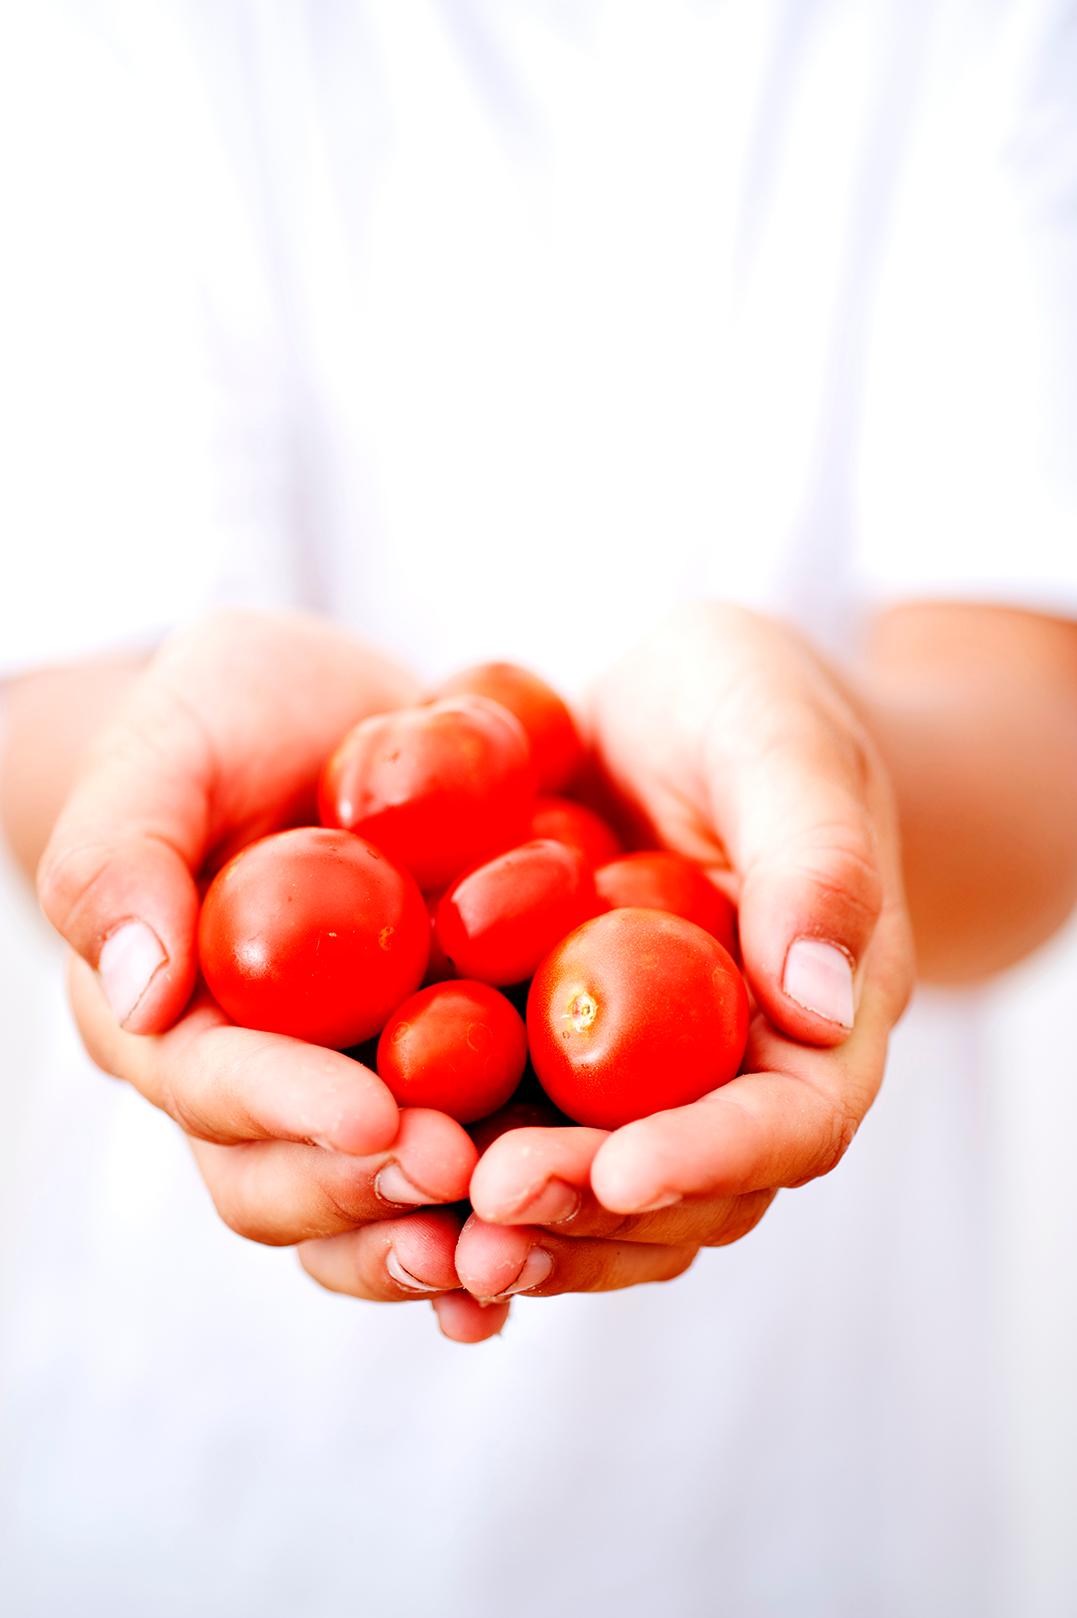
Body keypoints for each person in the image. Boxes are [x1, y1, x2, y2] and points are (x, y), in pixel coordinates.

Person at [2, 3, 1076, 1615]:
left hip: (812, 1491)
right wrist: (161, 818)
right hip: (193, 1480)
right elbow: (52, 713)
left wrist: (822, 768)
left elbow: (1033, 743)